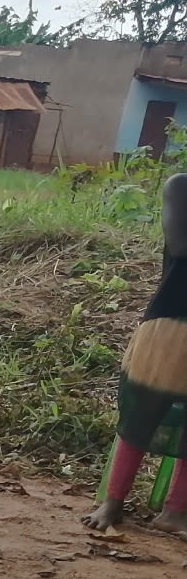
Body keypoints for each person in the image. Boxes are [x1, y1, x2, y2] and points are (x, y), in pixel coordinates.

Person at [86, 172, 187, 536]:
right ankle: (113, 501)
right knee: (143, 412)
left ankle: (175, 512)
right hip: (171, 320)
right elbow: (181, 245)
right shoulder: (180, 186)